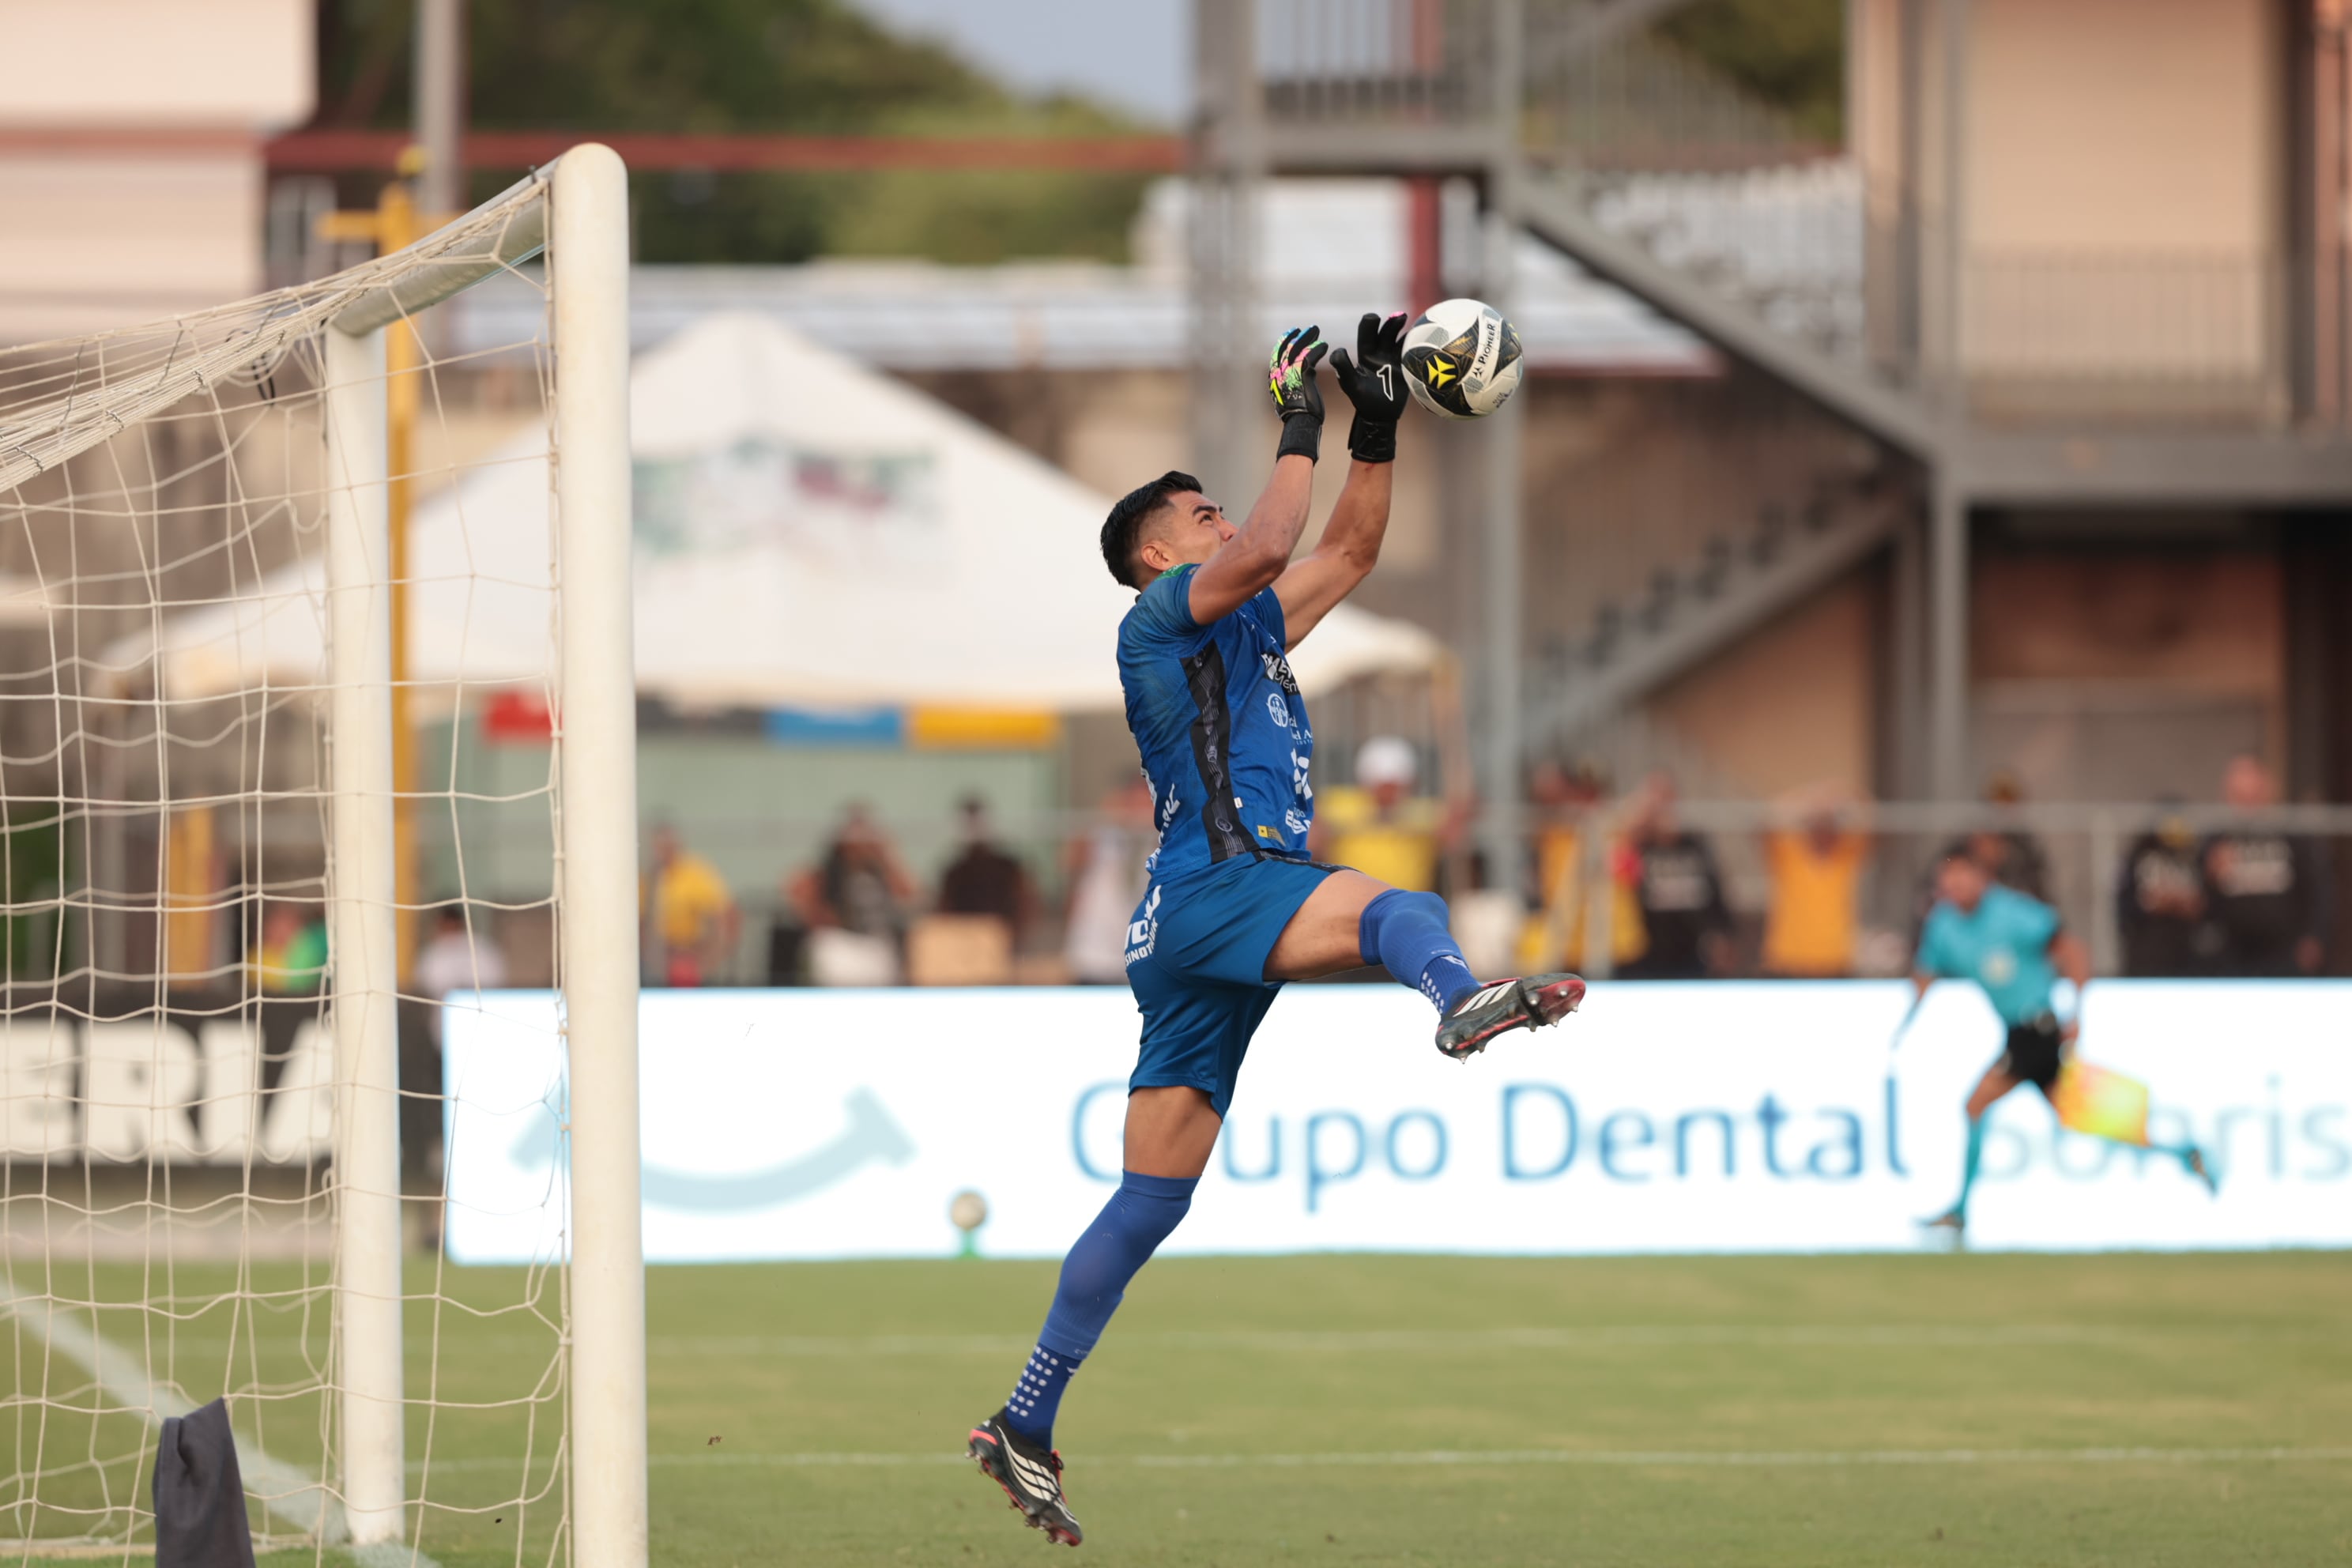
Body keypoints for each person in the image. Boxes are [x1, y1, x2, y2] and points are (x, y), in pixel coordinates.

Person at [966, 316, 1585, 1547]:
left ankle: (1022, 1421)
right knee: (1400, 907)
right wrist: (1293, 416)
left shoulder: (1245, 628)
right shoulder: (1159, 623)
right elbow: (1267, 543)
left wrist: (1377, 422)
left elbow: (1345, 550)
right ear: (1154, 555)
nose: (1217, 526)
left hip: (1185, 920)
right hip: (1225, 882)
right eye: (1193, 518)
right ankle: (1458, 999)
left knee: (1150, 1200)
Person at [1910, 852, 2212, 1243]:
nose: (1955, 887)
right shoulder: (1944, 925)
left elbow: (2072, 949)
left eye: (1961, 878)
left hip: (2038, 1028)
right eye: (1948, 881)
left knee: (1976, 1105)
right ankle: (2184, 1153)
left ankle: (1960, 1213)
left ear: (1980, 877)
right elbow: (1925, 972)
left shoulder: (2013, 912)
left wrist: (2077, 1011)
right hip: (2016, 1032)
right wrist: (1908, 1019)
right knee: (2078, 1115)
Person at [2199, 755, 2331, 977]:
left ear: (2267, 791)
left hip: (2284, 953)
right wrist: (2211, 874)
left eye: (2253, 796)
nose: (2247, 805)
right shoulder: (2217, 839)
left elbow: (2318, 888)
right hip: (2232, 955)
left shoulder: (2292, 835)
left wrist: (2315, 935)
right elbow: (2200, 903)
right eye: (2239, 796)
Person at [1311, 736, 1464, 895]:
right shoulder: (1342, 804)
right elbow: (1311, 825)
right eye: (1383, 787)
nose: (1388, 795)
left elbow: (1451, 837)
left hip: (1407, 903)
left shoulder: (1423, 811)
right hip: (1352, 901)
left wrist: (1457, 817)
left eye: (1395, 787)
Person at [1615, 773, 1732, 980]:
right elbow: (1617, 876)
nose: (1662, 808)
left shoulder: (1694, 844)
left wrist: (1722, 932)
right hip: (1645, 951)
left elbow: (1713, 890)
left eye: (1667, 799)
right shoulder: (1637, 846)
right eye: (1655, 801)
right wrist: (1634, 830)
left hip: (1693, 950)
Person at [1759, 786, 1869, 978]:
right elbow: (1765, 823)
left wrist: (1843, 797)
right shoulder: (1788, 854)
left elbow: (1873, 821)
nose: (1823, 831)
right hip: (1787, 962)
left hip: (1836, 962)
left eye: (1828, 824)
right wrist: (1807, 801)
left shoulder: (1845, 855)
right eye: (1817, 823)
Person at [1063, 778, 1155, 985]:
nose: (1138, 813)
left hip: (1141, 959)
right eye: (1132, 804)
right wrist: (1107, 817)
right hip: (1095, 956)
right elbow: (1068, 861)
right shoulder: (1102, 836)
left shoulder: (1161, 843)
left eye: (1145, 804)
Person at [2116, 805, 2211, 978]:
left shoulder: (2192, 856)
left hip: (2187, 955)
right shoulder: (2140, 854)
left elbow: (2203, 903)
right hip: (2146, 955)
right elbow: (2129, 903)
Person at [643, 824, 738, 986]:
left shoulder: (695, 874)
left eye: (667, 846)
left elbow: (725, 917)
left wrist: (708, 959)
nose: (662, 853)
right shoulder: (646, 879)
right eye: (658, 847)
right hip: (655, 959)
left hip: (690, 953)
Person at [938, 795, 1039, 948]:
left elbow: (1028, 905)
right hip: (965, 946)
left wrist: (1014, 936)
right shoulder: (955, 873)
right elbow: (944, 912)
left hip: (1004, 943)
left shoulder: (1008, 867)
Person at [414, 904, 510, 1035]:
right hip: (443, 1027)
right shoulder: (433, 953)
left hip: (482, 1020)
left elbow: (497, 985)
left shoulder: (482, 950)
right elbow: (425, 988)